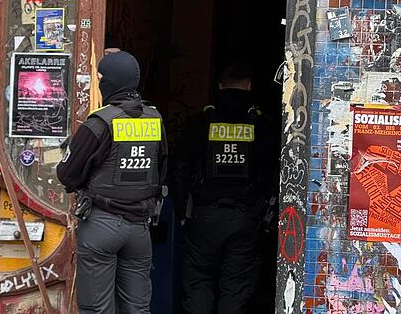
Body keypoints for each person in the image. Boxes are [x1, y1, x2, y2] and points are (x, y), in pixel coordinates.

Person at [57, 50, 168, 314]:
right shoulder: (155, 119)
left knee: (97, 309)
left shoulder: (99, 122)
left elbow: (67, 174)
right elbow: (162, 168)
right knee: (137, 309)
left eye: (101, 77)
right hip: (140, 228)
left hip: (102, 225)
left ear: (110, 83)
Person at [173, 61, 277, 314]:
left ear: (220, 86)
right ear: (249, 86)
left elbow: (179, 169)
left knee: (198, 283)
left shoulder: (199, 123)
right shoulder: (263, 126)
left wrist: (181, 213)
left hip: (203, 216)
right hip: (246, 218)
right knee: (236, 288)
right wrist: (267, 216)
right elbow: (275, 172)